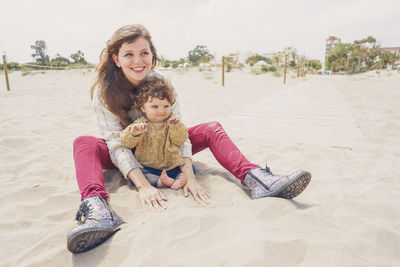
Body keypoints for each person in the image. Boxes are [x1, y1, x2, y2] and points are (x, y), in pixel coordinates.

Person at [67, 24, 312, 254]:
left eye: (144, 52)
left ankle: (258, 179)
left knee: (211, 128)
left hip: (167, 149)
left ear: (153, 54)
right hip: (132, 156)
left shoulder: (163, 81)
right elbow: (116, 145)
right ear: (116, 59)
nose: (138, 61)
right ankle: (97, 209)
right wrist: (143, 186)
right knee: (84, 143)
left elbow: (180, 132)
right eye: (128, 54)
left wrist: (191, 178)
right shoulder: (104, 93)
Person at [120, 75, 191, 190]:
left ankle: (176, 180)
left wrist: (175, 128)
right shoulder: (140, 124)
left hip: (171, 165)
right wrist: (133, 133)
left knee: (190, 169)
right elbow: (127, 142)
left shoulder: (172, 122)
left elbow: (180, 140)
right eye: (155, 107)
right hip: (148, 167)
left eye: (166, 106)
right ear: (143, 108)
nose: (161, 111)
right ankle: (160, 182)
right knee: (137, 177)